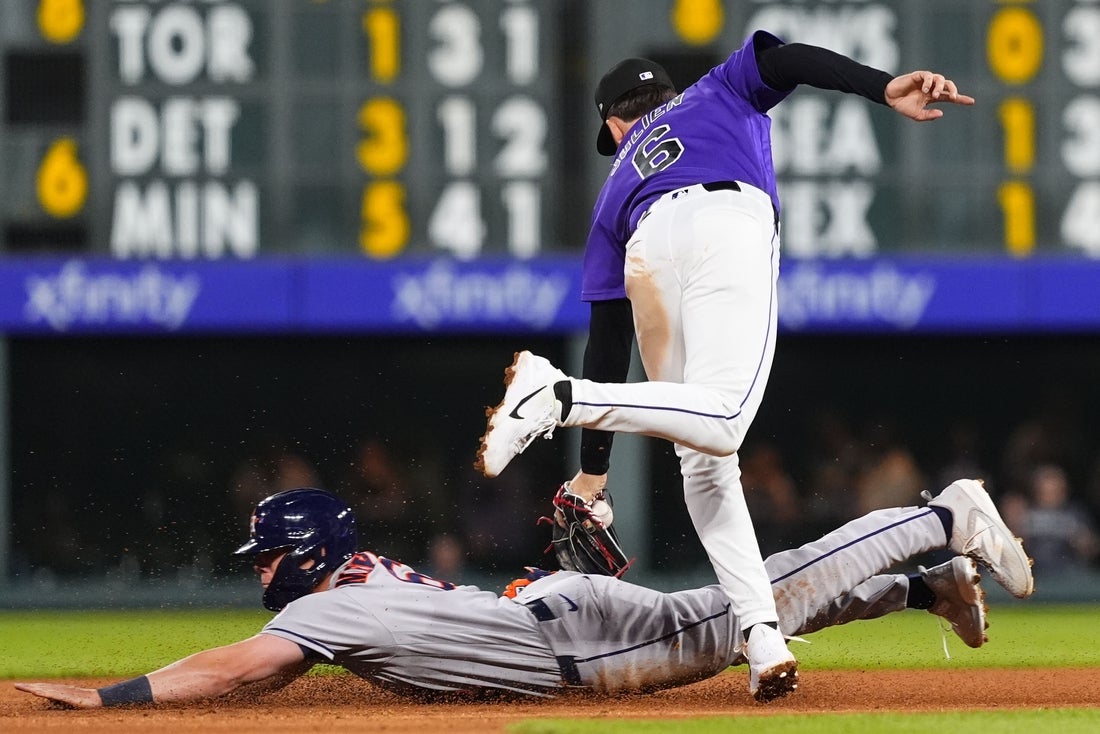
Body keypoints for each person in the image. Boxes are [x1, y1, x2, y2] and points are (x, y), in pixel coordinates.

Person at [474, 30, 976, 699]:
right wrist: (881, 86)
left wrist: (594, 473)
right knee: (727, 419)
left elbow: (608, 340)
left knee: (705, 460)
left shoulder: (616, 184)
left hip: (646, 248)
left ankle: (762, 637)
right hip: (724, 220)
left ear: (616, 124)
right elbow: (791, 59)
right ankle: (557, 398)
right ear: (665, 96)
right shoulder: (715, 90)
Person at [16, 478, 1033, 708]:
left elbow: (234, 670)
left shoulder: (319, 608)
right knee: (741, 610)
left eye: (263, 555)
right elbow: (262, 675)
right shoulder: (354, 586)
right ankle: (925, 585)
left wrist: (108, 698)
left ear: (305, 555)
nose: (258, 568)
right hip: (552, 615)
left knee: (758, 601)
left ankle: (940, 517)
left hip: (570, 642)